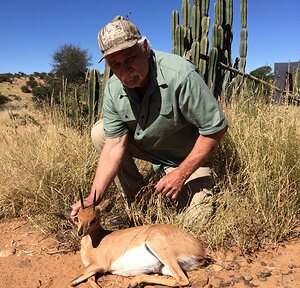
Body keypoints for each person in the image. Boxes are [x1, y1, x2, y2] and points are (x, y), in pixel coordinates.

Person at [70, 18, 228, 225]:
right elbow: (114, 146)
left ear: (145, 47)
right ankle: (139, 203)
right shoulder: (113, 88)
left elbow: (215, 129)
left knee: (195, 222)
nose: (125, 70)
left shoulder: (180, 75)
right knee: (101, 133)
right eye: (116, 65)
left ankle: (180, 183)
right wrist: (93, 198)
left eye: (130, 59)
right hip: (150, 150)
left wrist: (180, 174)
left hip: (185, 157)